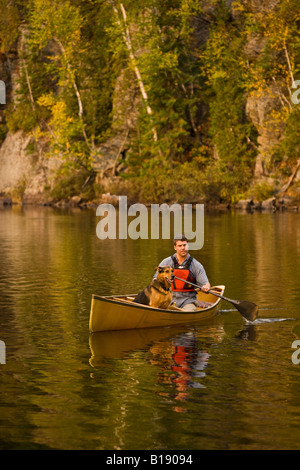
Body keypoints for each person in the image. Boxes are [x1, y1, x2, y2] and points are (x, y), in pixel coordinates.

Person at [156, 234, 211, 311]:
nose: (183, 248)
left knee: (188, 312)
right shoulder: (166, 262)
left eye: (185, 245)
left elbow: (206, 284)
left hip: (188, 302)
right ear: (175, 247)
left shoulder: (196, 265)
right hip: (169, 301)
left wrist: (206, 287)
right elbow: (155, 280)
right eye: (180, 246)